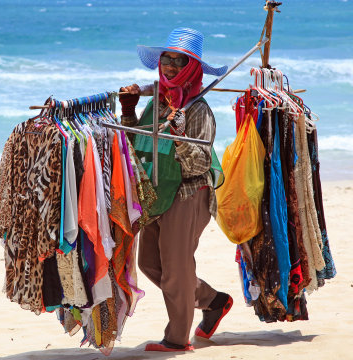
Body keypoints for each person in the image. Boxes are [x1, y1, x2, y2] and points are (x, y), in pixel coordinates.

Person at [119, 27, 233, 352]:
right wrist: (128, 111)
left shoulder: (198, 110)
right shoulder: (158, 101)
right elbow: (135, 146)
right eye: (166, 59)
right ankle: (213, 301)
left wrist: (180, 136)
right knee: (150, 264)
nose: (169, 66)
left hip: (188, 194)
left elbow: (198, 164)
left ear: (191, 68)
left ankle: (177, 338)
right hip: (157, 192)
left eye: (178, 62)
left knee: (177, 269)